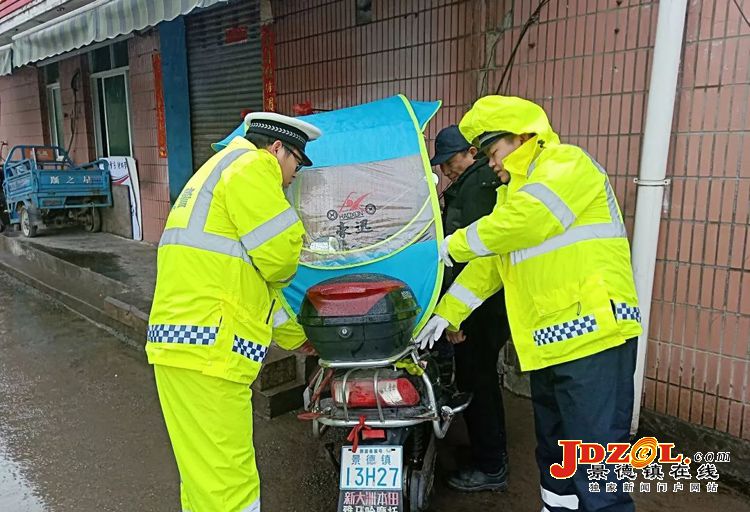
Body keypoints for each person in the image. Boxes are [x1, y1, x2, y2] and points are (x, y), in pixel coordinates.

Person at [417, 96, 642, 512]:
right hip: (548, 347)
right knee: (556, 459)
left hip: (594, 339)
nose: (491, 163)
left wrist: (454, 244)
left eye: (494, 151)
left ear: (521, 136)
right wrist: (447, 312)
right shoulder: (511, 195)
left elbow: (527, 221)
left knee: (596, 468)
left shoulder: (565, 164)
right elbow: (491, 266)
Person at [146, 112, 321, 512]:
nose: (293, 176)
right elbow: (278, 260)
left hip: (181, 349)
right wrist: (302, 239)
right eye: (295, 163)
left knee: (203, 479)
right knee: (230, 484)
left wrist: (298, 338)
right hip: (211, 352)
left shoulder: (214, 171)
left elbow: (253, 285)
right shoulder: (253, 165)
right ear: (277, 148)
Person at [430, 125, 511, 491]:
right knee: (475, 377)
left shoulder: (481, 188)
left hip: (480, 305)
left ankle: (491, 465)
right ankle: (484, 454)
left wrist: (455, 315)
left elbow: (475, 257)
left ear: (471, 153)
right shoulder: (468, 184)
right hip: (471, 301)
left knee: (478, 380)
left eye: (450, 162)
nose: (446, 170)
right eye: (443, 165)